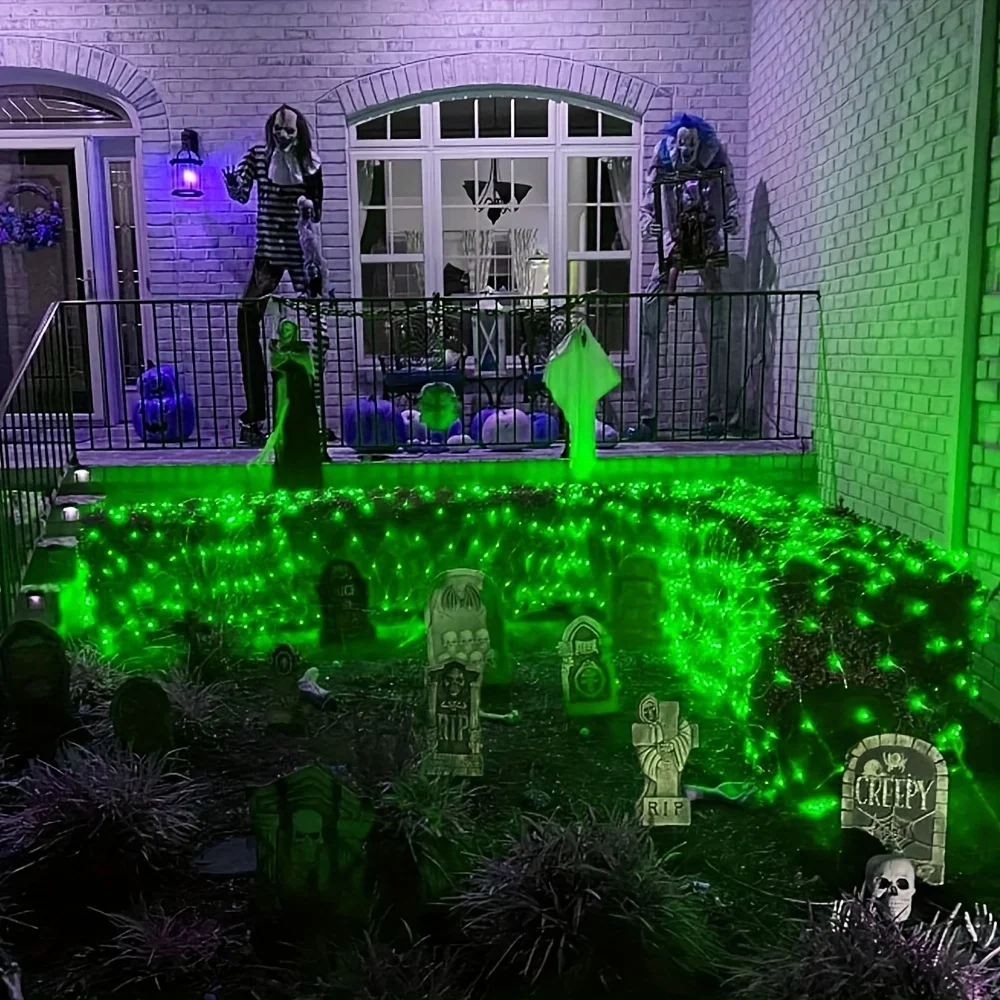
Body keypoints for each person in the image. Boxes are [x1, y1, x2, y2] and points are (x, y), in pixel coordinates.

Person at [633, 113, 741, 441]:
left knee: (717, 327)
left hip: (706, 240)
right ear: (675, 144)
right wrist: (650, 224)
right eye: (682, 144)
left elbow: (729, 193)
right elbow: (649, 205)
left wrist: (730, 217)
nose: (686, 149)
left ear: (698, 144)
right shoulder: (665, 164)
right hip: (676, 240)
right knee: (651, 313)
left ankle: (716, 413)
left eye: (691, 144)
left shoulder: (713, 163)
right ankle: (648, 416)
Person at [224, 106, 323, 447]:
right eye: (279, 129)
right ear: (271, 128)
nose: (283, 135)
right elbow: (241, 194)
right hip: (267, 253)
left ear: (299, 133)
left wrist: (307, 207)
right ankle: (255, 415)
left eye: (290, 131)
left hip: (299, 251)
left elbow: (317, 212)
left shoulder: (310, 164)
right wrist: (232, 184)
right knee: (246, 322)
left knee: (320, 328)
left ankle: (314, 416)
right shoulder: (257, 157)